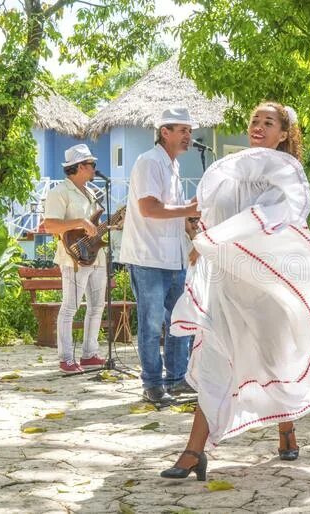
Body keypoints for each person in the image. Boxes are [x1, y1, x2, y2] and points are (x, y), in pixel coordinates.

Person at [160, 102, 310, 480]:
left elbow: (272, 219)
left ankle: (286, 428)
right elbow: (214, 217)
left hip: (267, 283)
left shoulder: (286, 174)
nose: (258, 126)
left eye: (268, 122)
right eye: (254, 121)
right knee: (218, 358)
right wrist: (202, 240)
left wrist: (219, 237)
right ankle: (193, 452)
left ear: (283, 134)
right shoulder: (228, 171)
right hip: (226, 282)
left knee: (273, 358)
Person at [119, 106, 199, 405]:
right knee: (152, 324)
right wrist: (191, 209)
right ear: (165, 132)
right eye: (183, 130)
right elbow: (149, 208)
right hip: (148, 257)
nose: (188, 136)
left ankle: (177, 379)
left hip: (174, 257)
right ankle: (152, 383)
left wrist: (193, 227)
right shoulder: (149, 163)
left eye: (190, 131)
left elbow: (174, 213)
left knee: (181, 320)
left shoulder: (173, 167)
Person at [42, 144, 107, 374]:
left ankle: (89, 354)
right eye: (92, 165)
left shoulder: (91, 192)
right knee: (70, 307)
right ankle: (66, 358)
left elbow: (93, 227)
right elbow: (50, 225)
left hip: (96, 256)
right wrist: (80, 222)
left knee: (97, 306)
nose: (95, 169)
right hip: (74, 258)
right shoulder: (59, 192)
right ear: (80, 167)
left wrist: (112, 224)